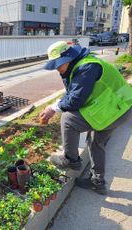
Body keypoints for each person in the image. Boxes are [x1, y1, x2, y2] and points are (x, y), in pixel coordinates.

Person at [39, 41, 132, 195]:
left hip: (114, 109)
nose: (57, 68)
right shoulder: (81, 64)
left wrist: (53, 109)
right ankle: (98, 182)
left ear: (68, 58)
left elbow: (75, 101)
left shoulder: (86, 67)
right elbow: (73, 92)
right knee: (96, 142)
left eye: (58, 64)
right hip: (119, 108)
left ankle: (70, 160)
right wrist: (55, 105)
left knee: (68, 120)